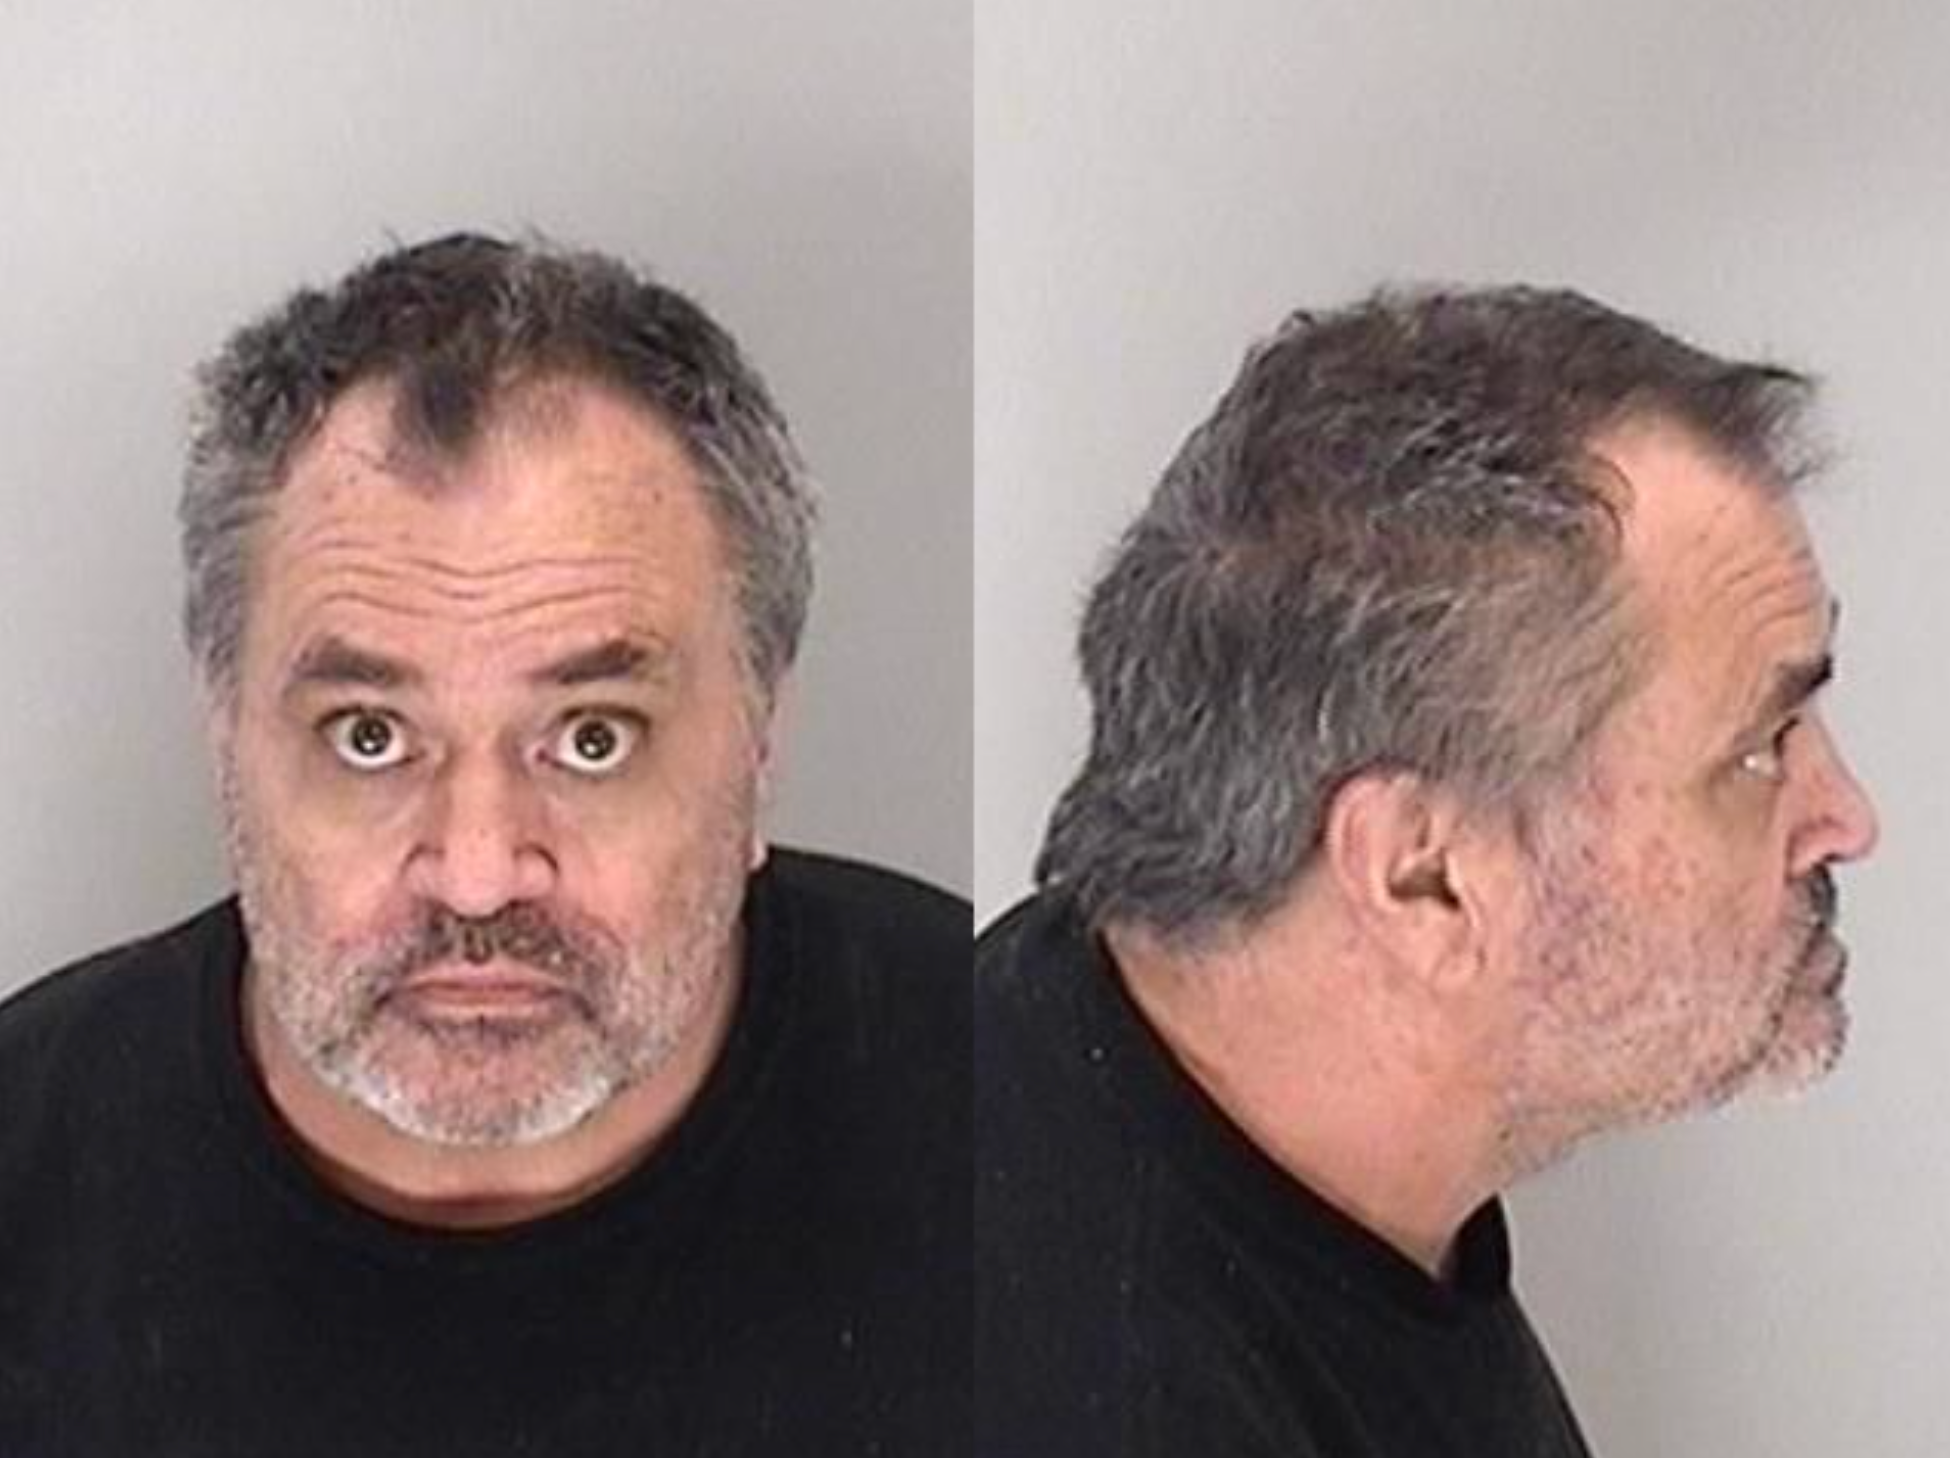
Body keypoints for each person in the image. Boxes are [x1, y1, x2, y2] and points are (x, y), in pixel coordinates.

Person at [0, 234, 969, 1455]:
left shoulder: (1003, 1111)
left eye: (593, 738)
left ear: (760, 739)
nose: (475, 876)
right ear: (225, 736)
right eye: (369, 736)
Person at [976, 287, 1878, 1456]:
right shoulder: (1102, 1388)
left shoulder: (1232, 1120)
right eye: (1759, 749)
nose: (1846, 820)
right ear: (1424, 878)